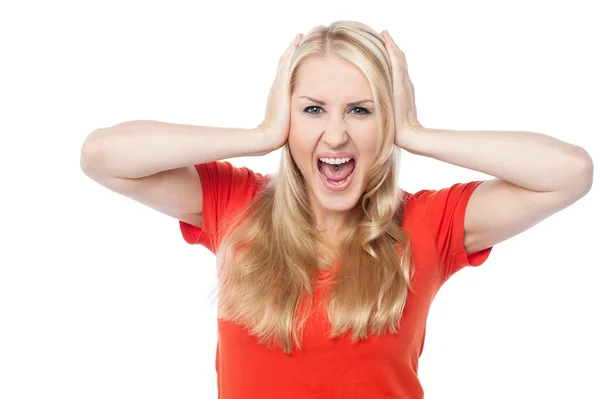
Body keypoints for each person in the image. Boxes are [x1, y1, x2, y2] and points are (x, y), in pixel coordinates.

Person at [80, 20, 593, 399]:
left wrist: (416, 133)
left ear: (384, 123)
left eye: (361, 110)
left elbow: (570, 172)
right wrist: (258, 136)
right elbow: (102, 156)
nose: (336, 133)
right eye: (313, 110)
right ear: (289, 120)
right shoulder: (235, 204)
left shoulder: (425, 226)